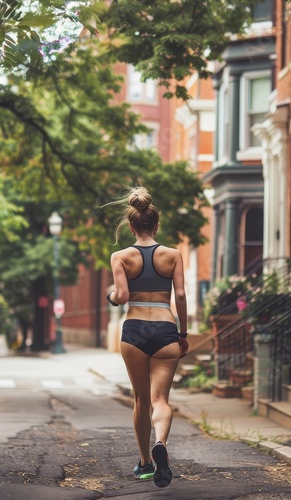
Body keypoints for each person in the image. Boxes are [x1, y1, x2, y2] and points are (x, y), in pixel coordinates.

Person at [106, 187, 189, 488]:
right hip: (166, 328)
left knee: (141, 400)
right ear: (156, 225)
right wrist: (183, 334)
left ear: (131, 225)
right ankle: (162, 444)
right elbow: (179, 294)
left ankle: (144, 463)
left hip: (135, 330)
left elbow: (123, 295)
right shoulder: (173, 255)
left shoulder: (120, 256)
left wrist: (111, 296)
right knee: (160, 400)